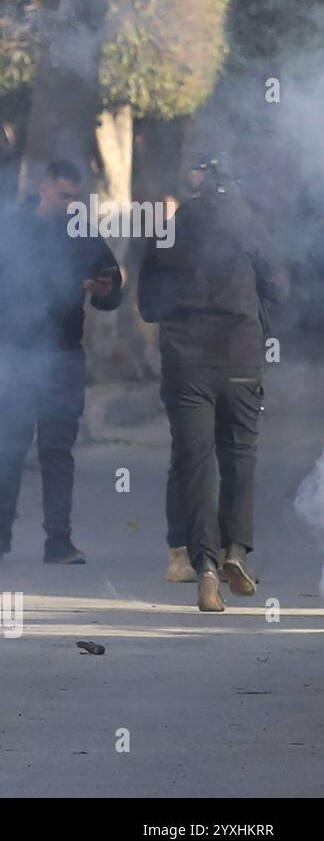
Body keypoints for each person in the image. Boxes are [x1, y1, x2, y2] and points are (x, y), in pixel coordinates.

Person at [139, 156, 289, 612]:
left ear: (199, 190)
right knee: (240, 457)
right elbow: (279, 290)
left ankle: (203, 568)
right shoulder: (250, 225)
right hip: (241, 357)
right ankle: (236, 552)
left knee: (195, 463)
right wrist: (255, 320)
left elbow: (148, 305)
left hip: (187, 363)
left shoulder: (170, 228)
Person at [0, 160, 123, 565]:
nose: (69, 204)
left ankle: (59, 541)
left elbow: (111, 288)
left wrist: (104, 289)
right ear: (43, 187)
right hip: (12, 354)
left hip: (63, 356)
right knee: (8, 449)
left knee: (57, 450)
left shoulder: (83, 232)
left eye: (75, 197)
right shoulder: (7, 229)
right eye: (62, 195)